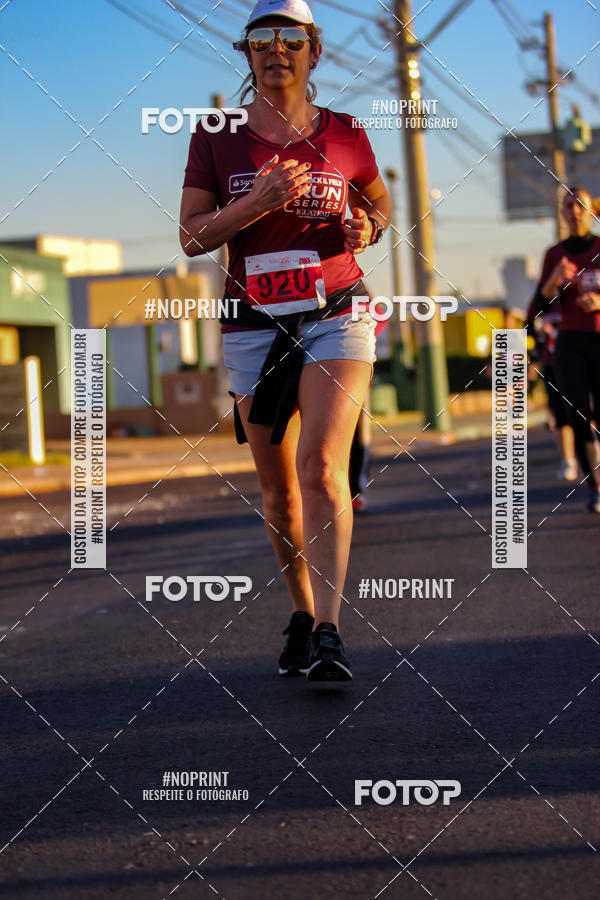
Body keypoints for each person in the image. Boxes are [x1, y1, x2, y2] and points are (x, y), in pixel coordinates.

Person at [179, 0, 391, 680]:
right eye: (262, 40)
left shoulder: (349, 133)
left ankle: (330, 630)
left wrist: (371, 227)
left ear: (314, 52)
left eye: (291, 40)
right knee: (279, 494)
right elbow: (192, 236)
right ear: (246, 54)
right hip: (252, 323)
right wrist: (255, 202)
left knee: (322, 467)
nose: (277, 51)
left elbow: (378, 203)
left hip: (337, 308)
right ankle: (303, 610)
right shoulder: (216, 134)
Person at [530, 187, 600, 511]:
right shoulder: (554, 254)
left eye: (581, 206)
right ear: (562, 213)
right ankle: (596, 487)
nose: (575, 211)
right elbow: (537, 307)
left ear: (591, 211)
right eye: (569, 205)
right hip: (570, 342)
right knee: (578, 415)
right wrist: (554, 280)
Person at [525, 306, 578, 481]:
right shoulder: (542, 300)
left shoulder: (576, 292)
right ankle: (568, 460)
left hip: (578, 361)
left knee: (584, 413)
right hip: (551, 363)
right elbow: (529, 328)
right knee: (560, 415)